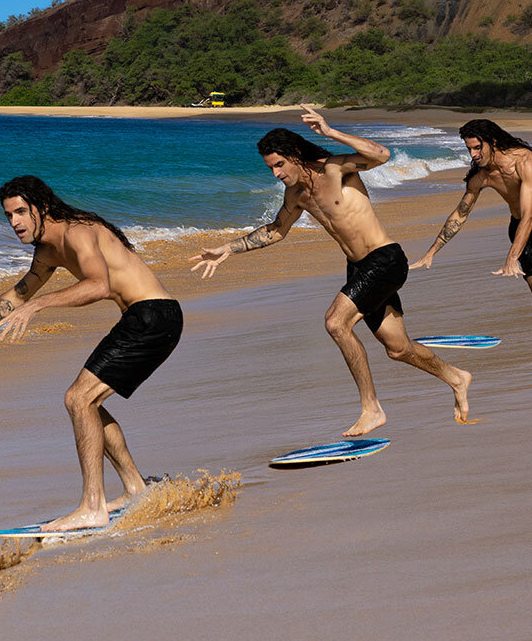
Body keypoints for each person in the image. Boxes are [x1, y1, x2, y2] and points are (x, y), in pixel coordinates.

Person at [191, 107, 471, 436]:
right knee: (398, 348)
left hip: (384, 259)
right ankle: (456, 377)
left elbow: (381, 154)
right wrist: (228, 248)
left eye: (279, 165)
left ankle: (372, 408)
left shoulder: (336, 169)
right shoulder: (296, 194)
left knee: (335, 322)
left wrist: (329, 131)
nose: (276, 174)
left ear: (295, 155)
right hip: (359, 269)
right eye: (271, 169)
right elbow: (277, 230)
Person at [0, 176, 182, 531]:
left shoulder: (78, 231)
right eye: (8, 215)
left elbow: (99, 284)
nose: (14, 222)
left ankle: (93, 506)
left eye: (21, 212)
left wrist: (38, 306)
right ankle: (135, 486)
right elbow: (18, 294)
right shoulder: (46, 250)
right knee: (88, 402)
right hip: (146, 318)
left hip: (153, 315)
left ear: (42, 208)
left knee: (79, 399)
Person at [413, 119, 532, 288]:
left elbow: (530, 214)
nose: (473, 155)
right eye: (469, 149)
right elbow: (460, 215)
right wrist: (431, 252)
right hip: (518, 226)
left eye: (477, 148)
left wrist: (512, 257)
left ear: (493, 142)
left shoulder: (524, 161)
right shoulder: (480, 177)